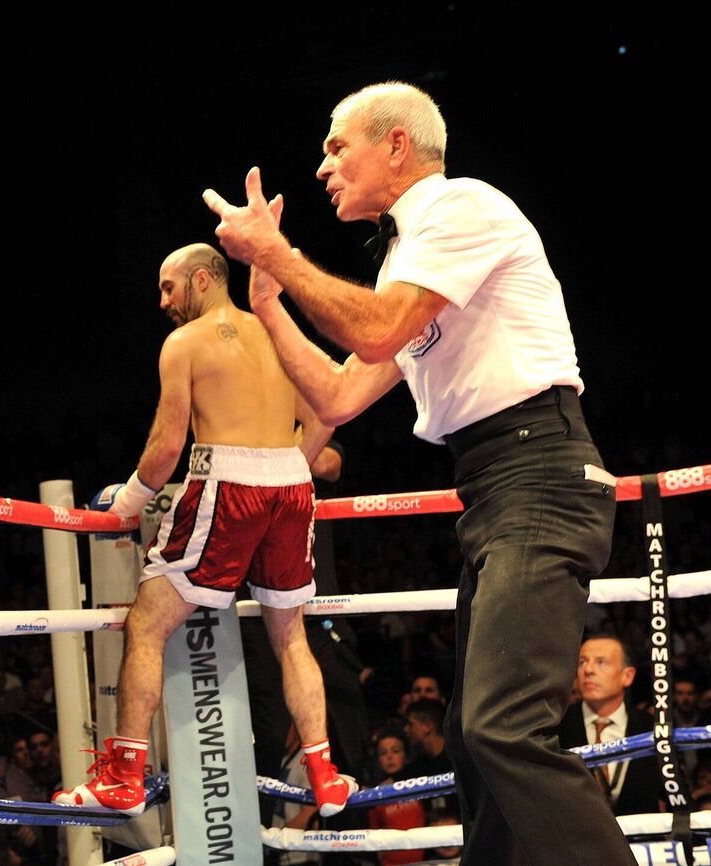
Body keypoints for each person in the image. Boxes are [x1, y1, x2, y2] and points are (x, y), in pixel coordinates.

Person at [203, 81, 630, 864]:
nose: (324, 166)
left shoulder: (460, 207)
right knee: (474, 740)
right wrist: (268, 301)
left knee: (503, 728)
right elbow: (338, 393)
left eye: (338, 147)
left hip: (540, 472)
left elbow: (375, 332)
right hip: (495, 488)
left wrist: (278, 254)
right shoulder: (411, 257)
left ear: (397, 144)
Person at [53, 243, 356, 816]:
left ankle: (124, 778)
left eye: (168, 287)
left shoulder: (185, 343)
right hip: (292, 487)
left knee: (146, 624)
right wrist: (288, 461)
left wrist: (128, 501)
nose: (162, 301)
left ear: (201, 279)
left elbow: (167, 446)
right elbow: (325, 410)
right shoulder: (276, 330)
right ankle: (325, 775)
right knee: (291, 637)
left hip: (228, 484)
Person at [558, 635, 664, 815]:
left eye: (601, 662)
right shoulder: (556, 726)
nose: (588, 670)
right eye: (582, 662)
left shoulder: (653, 729)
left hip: (639, 830)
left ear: (627, 676)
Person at [368, 728, 425, 866]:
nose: (389, 757)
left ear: (406, 755)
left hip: (426, 860)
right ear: (378, 760)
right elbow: (374, 834)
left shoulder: (422, 783)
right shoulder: (374, 794)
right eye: (383, 753)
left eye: (395, 751)